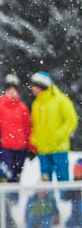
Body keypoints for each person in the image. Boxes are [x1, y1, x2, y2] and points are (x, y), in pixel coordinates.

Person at [29, 72, 78, 201]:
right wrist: (34, 143)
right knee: (45, 183)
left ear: (41, 85)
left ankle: (66, 206)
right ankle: (51, 210)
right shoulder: (36, 104)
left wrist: (58, 136)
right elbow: (34, 127)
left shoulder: (61, 100)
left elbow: (71, 120)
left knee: (63, 180)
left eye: (34, 85)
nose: (32, 89)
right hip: (43, 150)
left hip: (59, 148)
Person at [0, 74, 32, 187]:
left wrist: (30, 146)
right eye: (9, 89)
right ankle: (8, 201)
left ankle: (15, 200)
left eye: (14, 89)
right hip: (5, 148)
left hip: (21, 148)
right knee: (7, 174)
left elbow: (27, 128)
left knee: (17, 175)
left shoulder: (22, 108)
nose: (12, 92)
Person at [66, 159, 82, 228]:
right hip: (75, 212)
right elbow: (66, 197)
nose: (77, 173)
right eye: (76, 171)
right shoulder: (73, 184)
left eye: (79, 171)